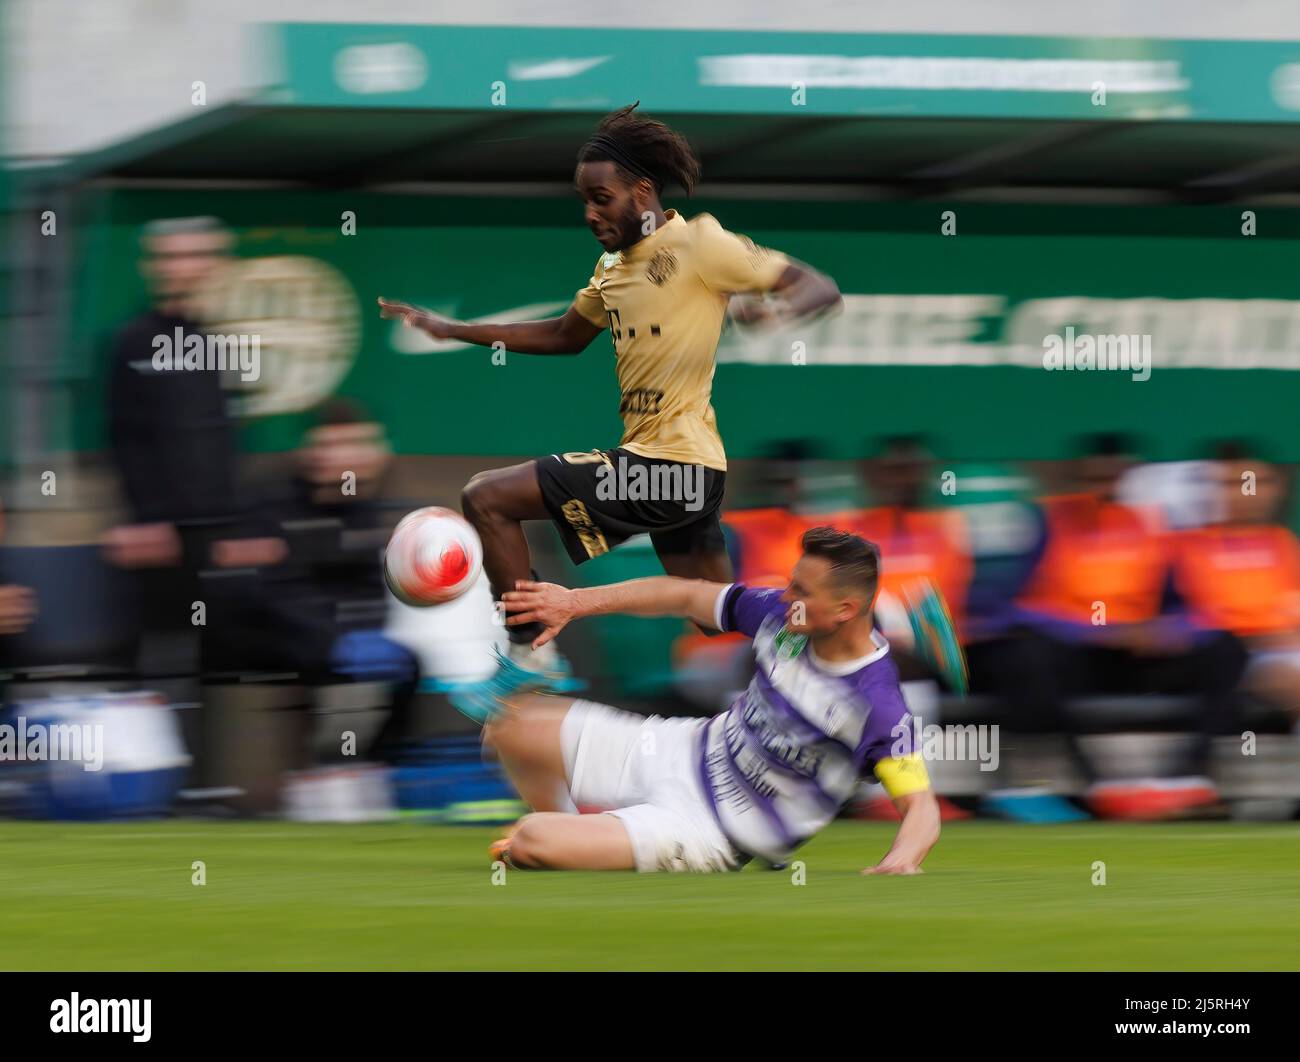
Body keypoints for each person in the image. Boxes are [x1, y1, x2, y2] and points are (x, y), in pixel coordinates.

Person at [376, 103, 843, 716]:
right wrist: (454, 329)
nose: (592, 214)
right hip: (687, 473)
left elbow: (819, 287)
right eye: (584, 201)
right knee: (711, 614)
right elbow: (564, 336)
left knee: (487, 497)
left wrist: (772, 312)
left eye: (602, 198)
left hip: (669, 466)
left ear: (643, 192)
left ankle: (529, 658)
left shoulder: (701, 244)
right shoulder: (612, 269)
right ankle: (868, 633)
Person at [481, 527, 941, 875]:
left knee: (529, 841)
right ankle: (582, 834)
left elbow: (920, 807)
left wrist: (902, 859)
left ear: (844, 611)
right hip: (682, 749)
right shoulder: (781, 615)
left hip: (714, 828)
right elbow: (683, 594)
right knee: (511, 725)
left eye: (802, 591)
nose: (786, 596)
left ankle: (570, 838)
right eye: (791, 583)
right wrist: (573, 602)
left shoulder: (877, 704)